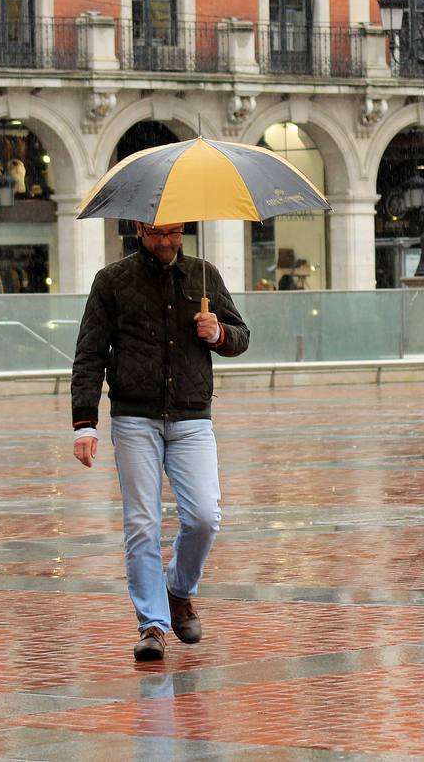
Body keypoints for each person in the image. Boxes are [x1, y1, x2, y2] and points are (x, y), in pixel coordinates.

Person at [71, 221, 250, 662]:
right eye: (157, 234)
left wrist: (218, 334)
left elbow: (241, 336)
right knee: (142, 524)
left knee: (205, 516)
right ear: (139, 228)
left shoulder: (203, 275)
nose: (166, 242)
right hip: (134, 417)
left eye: (173, 233)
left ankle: (178, 588)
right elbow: (90, 352)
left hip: (191, 416)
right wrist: (85, 422)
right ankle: (152, 623)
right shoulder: (112, 281)